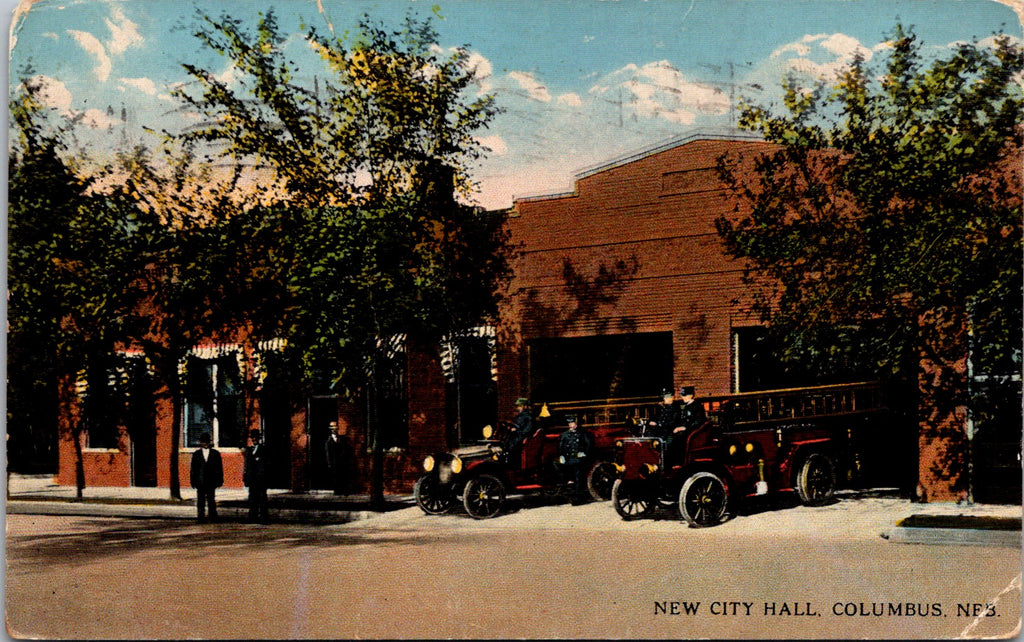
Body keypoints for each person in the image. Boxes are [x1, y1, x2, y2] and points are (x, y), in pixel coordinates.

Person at [556, 414, 592, 504]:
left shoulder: (582, 433)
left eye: (574, 423)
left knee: (578, 478)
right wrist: (562, 456)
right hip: (569, 459)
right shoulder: (565, 435)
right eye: (571, 423)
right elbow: (561, 447)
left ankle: (578, 498)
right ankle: (571, 496)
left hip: (579, 459)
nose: (573, 425)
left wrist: (584, 453)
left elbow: (588, 445)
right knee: (569, 478)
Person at [189, 433, 223, 523]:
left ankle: (213, 517)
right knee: (200, 501)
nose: (205, 444)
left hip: (211, 481)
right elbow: (193, 469)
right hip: (200, 481)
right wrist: (193, 481)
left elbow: (219, 468)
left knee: (211, 500)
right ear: (200, 443)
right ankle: (201, 517)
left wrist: (220, 480)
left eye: (207, 442)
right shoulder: (196, 454)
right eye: (203, 442)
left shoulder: (215, 454)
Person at [243, 429, 269, 523]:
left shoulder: (263, 450)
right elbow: (246, 465)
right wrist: (246, 477)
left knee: (262, 498)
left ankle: (264, 517)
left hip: (261, 479)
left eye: (256, 438)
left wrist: (264, 477)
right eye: (252, 438)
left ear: (259, 438)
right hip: (252, 479)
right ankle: (252, 516)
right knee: (252, 498)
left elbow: (265, 465)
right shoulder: (249, 450)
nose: (254, 439)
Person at [324, 421, 348, 495]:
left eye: (335, 426)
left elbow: (344, 450)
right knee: (335, 477)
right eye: (332, 427)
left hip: (342, 462)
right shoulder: (328, 441)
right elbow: (328, 453)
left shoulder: (342, 439)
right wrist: (330, 463)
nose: (334, 428)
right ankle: (337, 491)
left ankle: (343, 490)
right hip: (334, 462)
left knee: (342, 476)